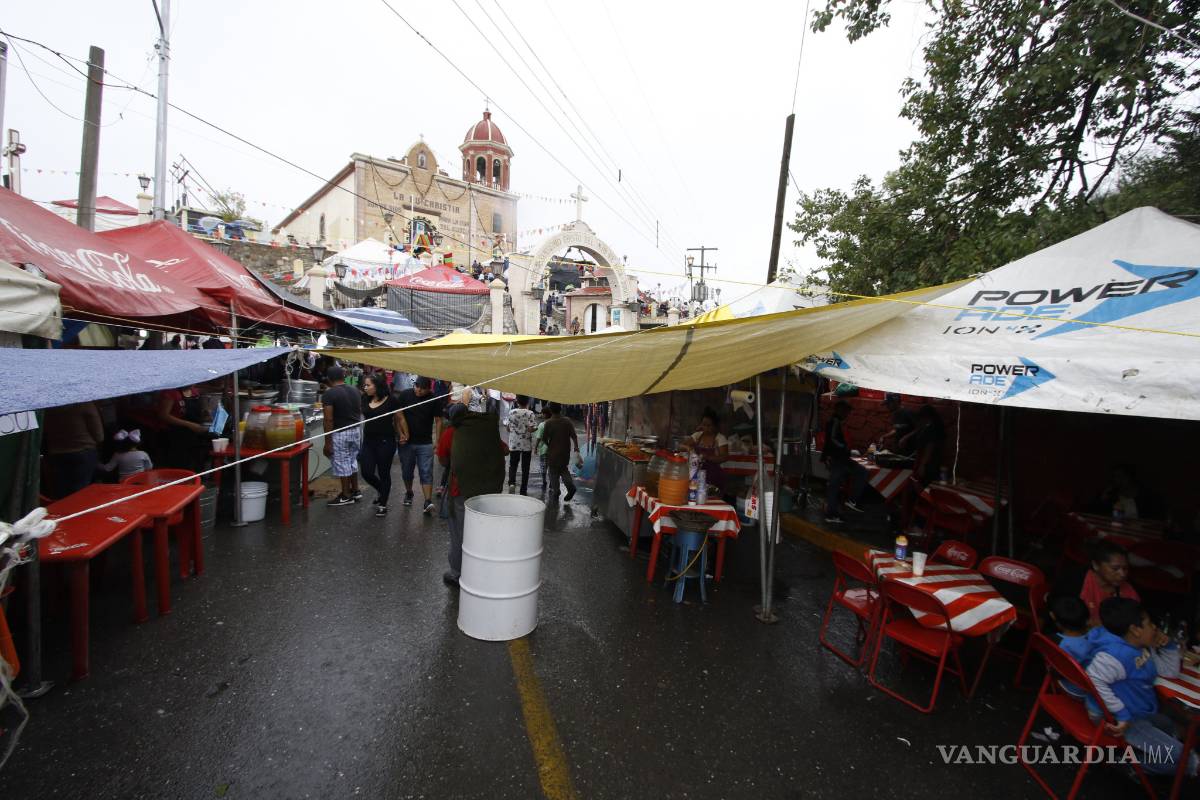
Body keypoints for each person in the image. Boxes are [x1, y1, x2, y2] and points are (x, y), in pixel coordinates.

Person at [1086, 598, 1198, 777]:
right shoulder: (1115, 655)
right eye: (1150, 624)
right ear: (1135, 630)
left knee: (1173, 728)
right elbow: (1093, 679)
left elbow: (1169, 672)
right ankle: (1123, 761)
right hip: (1121, 720)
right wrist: (1121, 713)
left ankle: (1140, 754)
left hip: (1142, 711)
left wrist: (1168, 645)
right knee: (1186, 760)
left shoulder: (1140, 646)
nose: (1155, 628)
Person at [438, 396, 507, 586]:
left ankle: (458, 572)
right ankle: (484, 570)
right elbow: (505, 450)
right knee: (485, 532)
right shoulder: (487, 431)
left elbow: (443, 460)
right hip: (489, 492)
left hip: (461, 491)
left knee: (460, 534)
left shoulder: (452, 432)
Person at [358, 374, 408, 517]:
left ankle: (383, 503)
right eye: (364, 385)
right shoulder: (364, 398)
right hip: (368, 441)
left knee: (384, 473)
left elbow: (400, 418)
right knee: (366, 472)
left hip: (385, 442)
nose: (365, 387)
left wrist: (404, 434)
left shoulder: (392, 400)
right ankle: (382, 489)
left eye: (368, 385)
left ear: (377, 386)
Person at [396, 377, 445, 514]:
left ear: (428, 389)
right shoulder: (405, 395)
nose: (418, 390)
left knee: (426, 472)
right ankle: (409, 492)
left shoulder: (434, 399)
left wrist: (438, 441)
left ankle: (427, 501)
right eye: (417, 386)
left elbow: (438, 420)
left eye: (422, 388)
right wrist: (400, 433)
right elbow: (397, 416)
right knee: (407, 471)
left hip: (425, 442)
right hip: (407, 443)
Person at [43, 401, 104, 498]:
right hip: (83, 450)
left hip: (57, 452)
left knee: (62, 491)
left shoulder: (48, 406)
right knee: (81, 491)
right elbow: (98, 434)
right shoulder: (84, 403)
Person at [322, 365, 363, 507]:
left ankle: (346, 495)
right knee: (352, 460)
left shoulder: (329, 394)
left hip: (340, 433)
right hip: (356, 430)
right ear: (343, 376)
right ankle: (356, 490)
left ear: (329, 379)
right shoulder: (355, 391)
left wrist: (327, 442)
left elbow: (328, 419)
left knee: (342, 462)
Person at [822, 400, 867, 524]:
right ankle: (831, 514)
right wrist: (844, 447)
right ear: (839, 410)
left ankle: (849, 501)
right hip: (836, 458)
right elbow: (832, 439)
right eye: (846, 411)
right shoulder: (834, 422)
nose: (847, 414)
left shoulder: (839, 422)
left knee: (860, 471)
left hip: (841, 458)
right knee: (834, 484)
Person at [1079, 540, 1141, 627]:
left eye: (1125, 568)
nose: (1122, 574)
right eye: (1115, 568)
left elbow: (1137, 621)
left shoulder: (1128, 592)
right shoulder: (1078, 582)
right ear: (1096, 565)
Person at [154, 385, 211, 471]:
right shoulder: (170, 393)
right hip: (175, 435)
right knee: (180, 465)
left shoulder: (194, 391)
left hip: (193, 434)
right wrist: (189, 424)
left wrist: (205, 414)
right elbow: (163, 415)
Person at [680, 407, 729, 496]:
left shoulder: (720, 438)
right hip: (696, 475)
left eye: (708, 425)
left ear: (715, 426)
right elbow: (681, 446)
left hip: (714, 478)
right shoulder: (697, 436)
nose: (705, 428)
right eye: (703, 425)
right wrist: (688, 448)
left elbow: (724, 457)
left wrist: (708, 457)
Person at [1094, 464, 1162, 521]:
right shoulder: (1112, 495)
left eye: (1122, 476)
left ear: (1130, 477)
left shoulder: (1147, 496)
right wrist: (1102, 500)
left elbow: (1155, 518)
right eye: (1115, 476)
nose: (1118, 480)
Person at [541, 402, 579, 504]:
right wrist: (576, 447)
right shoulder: (567, 421)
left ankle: (556, 491)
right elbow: (574, 436)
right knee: (563, 469)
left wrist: (549, 445)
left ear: (550, 411)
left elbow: (544, 438)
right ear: (561, 409)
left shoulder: (548, 423)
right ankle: (570, 487)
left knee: (553, 472)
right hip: (565, 452)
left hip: (552, 452)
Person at [506, 395, 537, 495]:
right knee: (525, 467)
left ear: (517, 401)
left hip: (514, 443)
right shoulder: (530, 413)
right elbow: (532, 428)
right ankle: (523, 489)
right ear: (528, 402)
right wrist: (530, 429)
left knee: (513, 464)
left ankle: (511, 483)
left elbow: (507, 428)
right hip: (526, 444)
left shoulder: (511, 412)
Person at [909, 404, 946, 484]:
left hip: (929, 463)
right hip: (929, 461)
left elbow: (929, 447)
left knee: (923, 483)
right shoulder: (931, 426)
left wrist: (923, 465)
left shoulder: (932, 428)